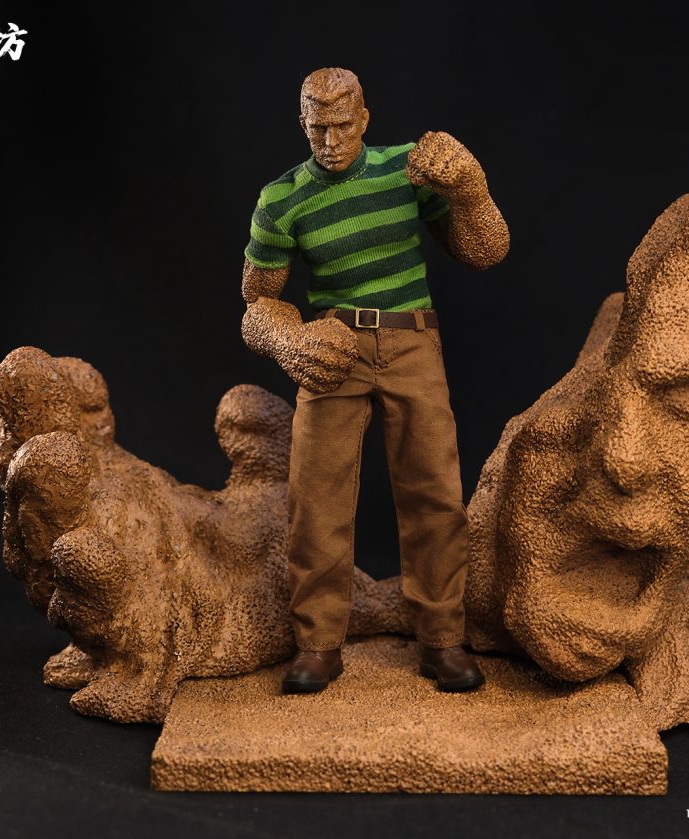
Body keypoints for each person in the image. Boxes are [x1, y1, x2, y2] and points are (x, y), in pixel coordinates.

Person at [239, 67, 509, 693]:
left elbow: (485, 251)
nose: (330, 141)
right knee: (317, 498)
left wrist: (471, 190)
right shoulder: (281, 199)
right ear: (302, 124)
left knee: (434, 491)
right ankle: (317, 645)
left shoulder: (407, 170)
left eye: (342, 125)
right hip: (332, 347)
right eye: (317, 129)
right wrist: (289, 340)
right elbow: (256, 301)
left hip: (413, 341)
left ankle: (442, 639)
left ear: (364, 118)